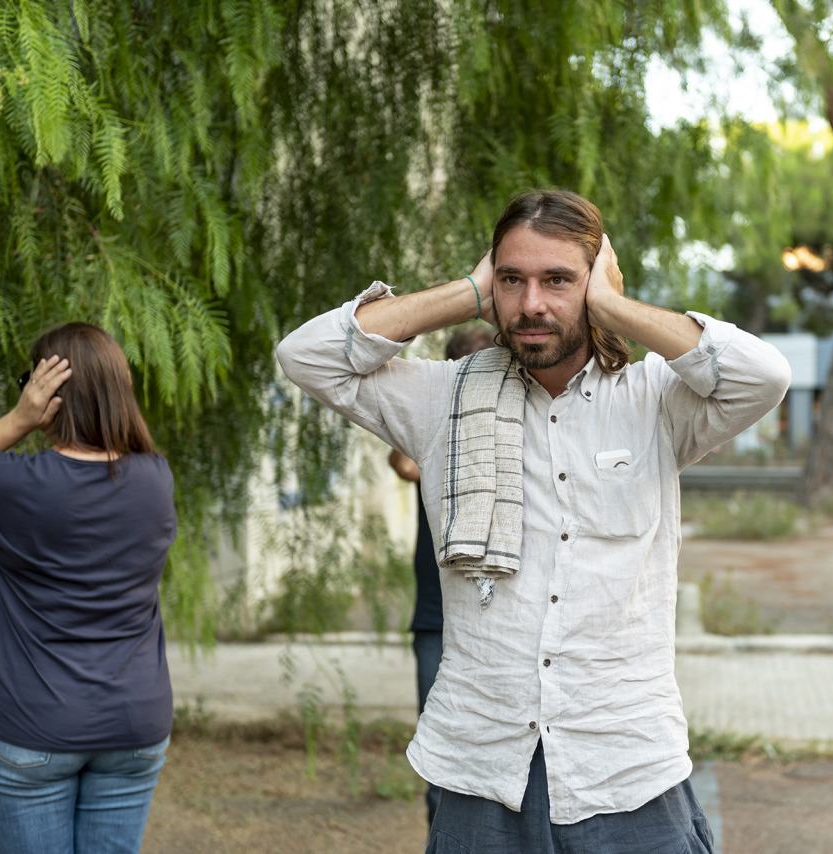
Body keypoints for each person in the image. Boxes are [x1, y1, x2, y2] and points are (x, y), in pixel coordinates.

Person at [277, 189, 791, 852]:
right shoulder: (439, 399)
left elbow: (763, 375)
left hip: (626, 766)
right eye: (512, 280)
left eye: (558, 280)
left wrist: (608, 304)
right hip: (482, 766)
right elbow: (306, 355)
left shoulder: (656, 400)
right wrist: (467, 290)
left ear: (595, 283)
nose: (532, 304)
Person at [0, 323, 177, 854]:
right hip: (134, 727)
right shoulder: (156, 479)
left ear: (49, 395)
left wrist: (19, 419)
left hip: (29, 727)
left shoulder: (17, 484)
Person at [386, 322, 494, 830]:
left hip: (500, 618)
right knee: (440, 756)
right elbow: (402, 461)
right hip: (437, 619)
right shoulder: (432, 428)